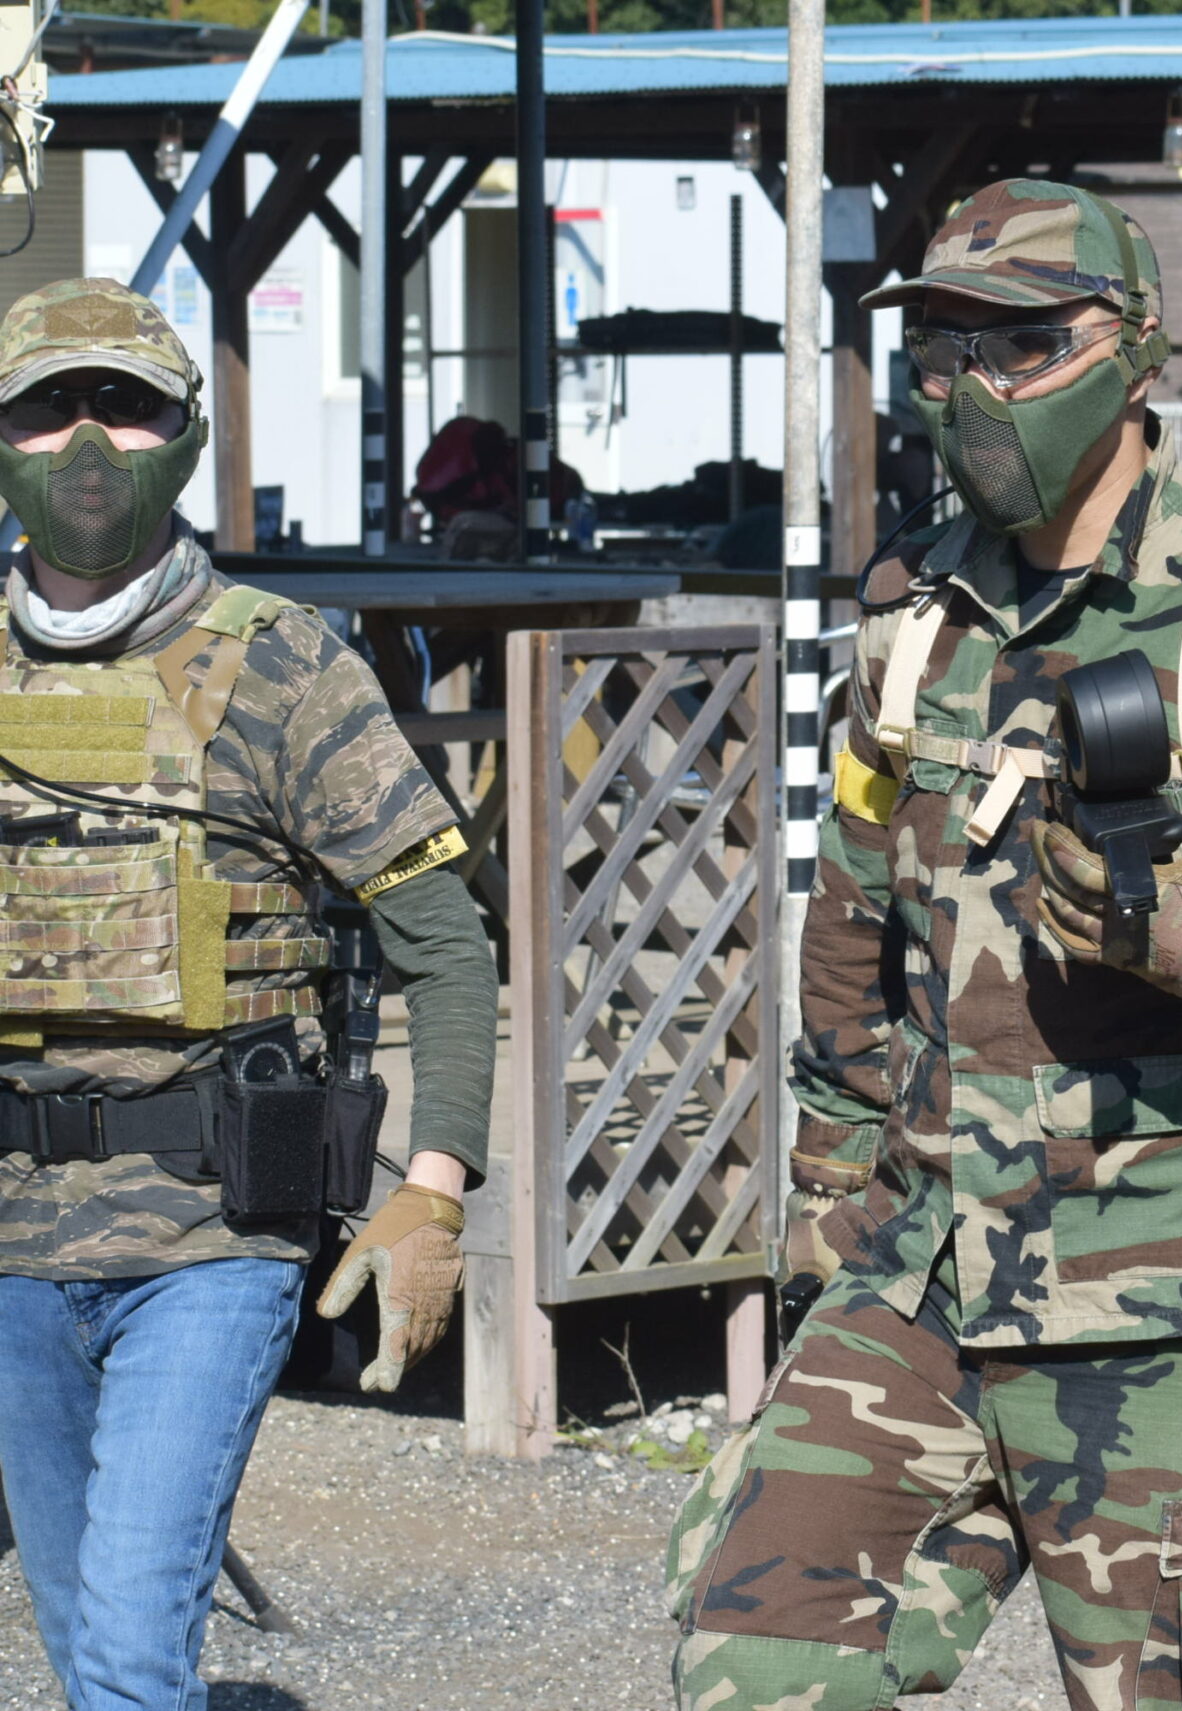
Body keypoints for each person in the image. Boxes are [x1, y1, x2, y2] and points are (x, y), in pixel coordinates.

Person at [666, 180, 1182, 1711]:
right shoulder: (912, 607)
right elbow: (852, 917)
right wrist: (831, 1193)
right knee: (758, 1660)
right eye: (942, 351)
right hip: (918, 1266)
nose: (977, 387)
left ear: (1138, 348)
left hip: (1169, 1304)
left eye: (1027, 343)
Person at [0, 278, 497, 1709]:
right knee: (75, 1636)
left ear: (186, 433)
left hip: (213, 1235)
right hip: (15, 1241)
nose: (84, 442)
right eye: (45, 405)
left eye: (123, 404)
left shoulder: (284, 665)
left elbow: (445, 943)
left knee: (128, 1650)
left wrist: (434, 1190)